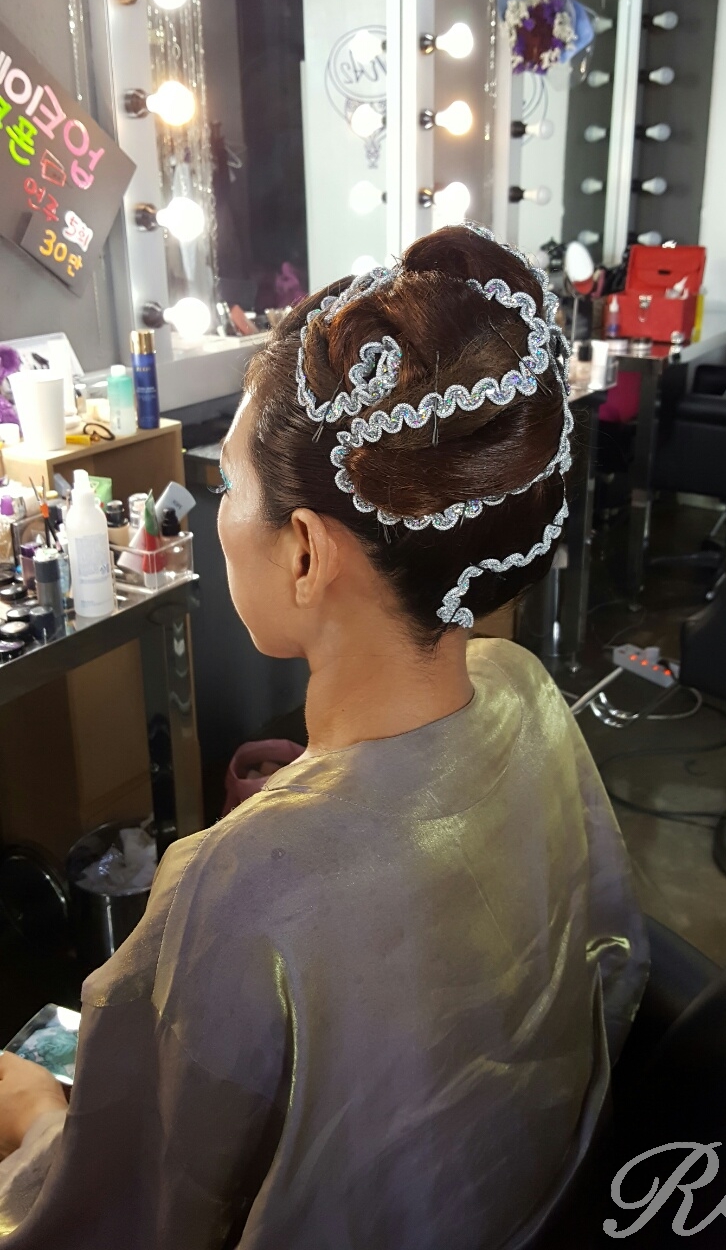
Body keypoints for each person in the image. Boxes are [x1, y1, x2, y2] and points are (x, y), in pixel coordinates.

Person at [0, 225, 647, 1248]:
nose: (217, 517)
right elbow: (607, 958)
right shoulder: (523, 688)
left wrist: (40, 1119)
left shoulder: (234, 889)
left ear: (305, 553)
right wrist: (317, 797)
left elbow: (124, 1215)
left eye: (230, 489)